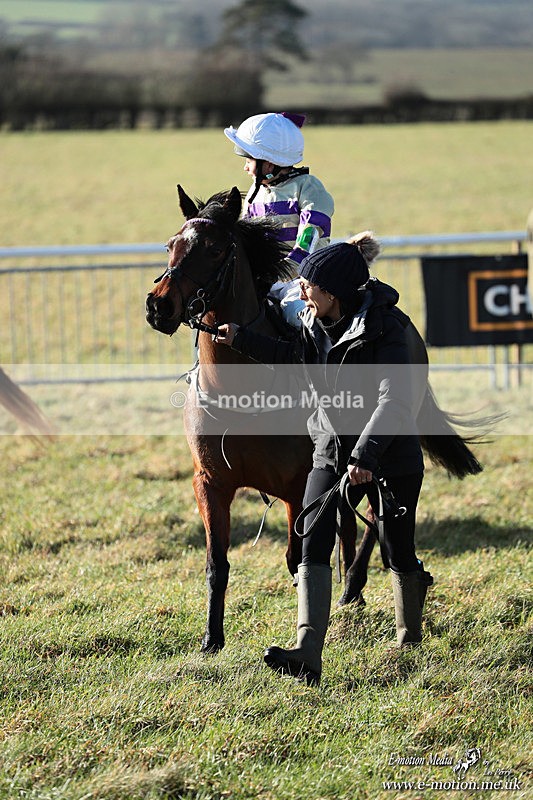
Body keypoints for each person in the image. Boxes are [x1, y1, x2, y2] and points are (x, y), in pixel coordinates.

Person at [215, 232, 433, 686]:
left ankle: (408, 643)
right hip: (329, 450)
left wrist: (366, 455)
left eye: (307, 286)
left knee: (398, 550)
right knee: (313, 540)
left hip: (389, 458)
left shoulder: (388, 328)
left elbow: (394, 402)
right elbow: (293, 357)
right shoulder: (315, 324)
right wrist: (240, 338)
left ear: (331, 293)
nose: (299, 292)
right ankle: (307, 651)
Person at [224, 111, 335, 326]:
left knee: (297, 318)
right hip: (266, 280)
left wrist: (285, 269)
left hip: (303, 282)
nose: (245, 167)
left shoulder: (308, 188)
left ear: (268, 164)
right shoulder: (256, 194)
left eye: (249, 160)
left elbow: (309, 236)